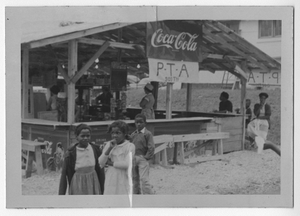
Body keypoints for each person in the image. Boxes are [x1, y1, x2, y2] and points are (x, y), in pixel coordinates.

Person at [59, 124, 105, 195]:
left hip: (93, 180)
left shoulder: (96, 149)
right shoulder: (70, 153)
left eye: (88, 136)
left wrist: (103, 188)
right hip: (78, 182)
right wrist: (61, 195)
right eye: (82, 136)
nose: (86, 138)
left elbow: (101, 169)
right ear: (77, 137)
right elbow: (64, 174)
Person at [98, 120, 135, 195]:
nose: (114, 135)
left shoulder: (129, 146)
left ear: (124, 133)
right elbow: (101, 162)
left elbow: (127, 164)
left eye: (118, 133)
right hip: (110, 176)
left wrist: (111, 163)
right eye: (112, 133)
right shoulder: (109, 144)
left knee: (122, 197)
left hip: (123, 177)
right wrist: (109, 149)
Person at [131, 114, 155, 195]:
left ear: (145, 123)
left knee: (144, 179)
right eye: (136, 122)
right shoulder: (133, 134)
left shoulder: (147, 134)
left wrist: (146, 157)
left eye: (141, 122)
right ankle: (136, 195)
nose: (138, 124)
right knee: (134, 179)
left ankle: (149, 196)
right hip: (133, 158)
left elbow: (151, 147)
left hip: (142, 158)